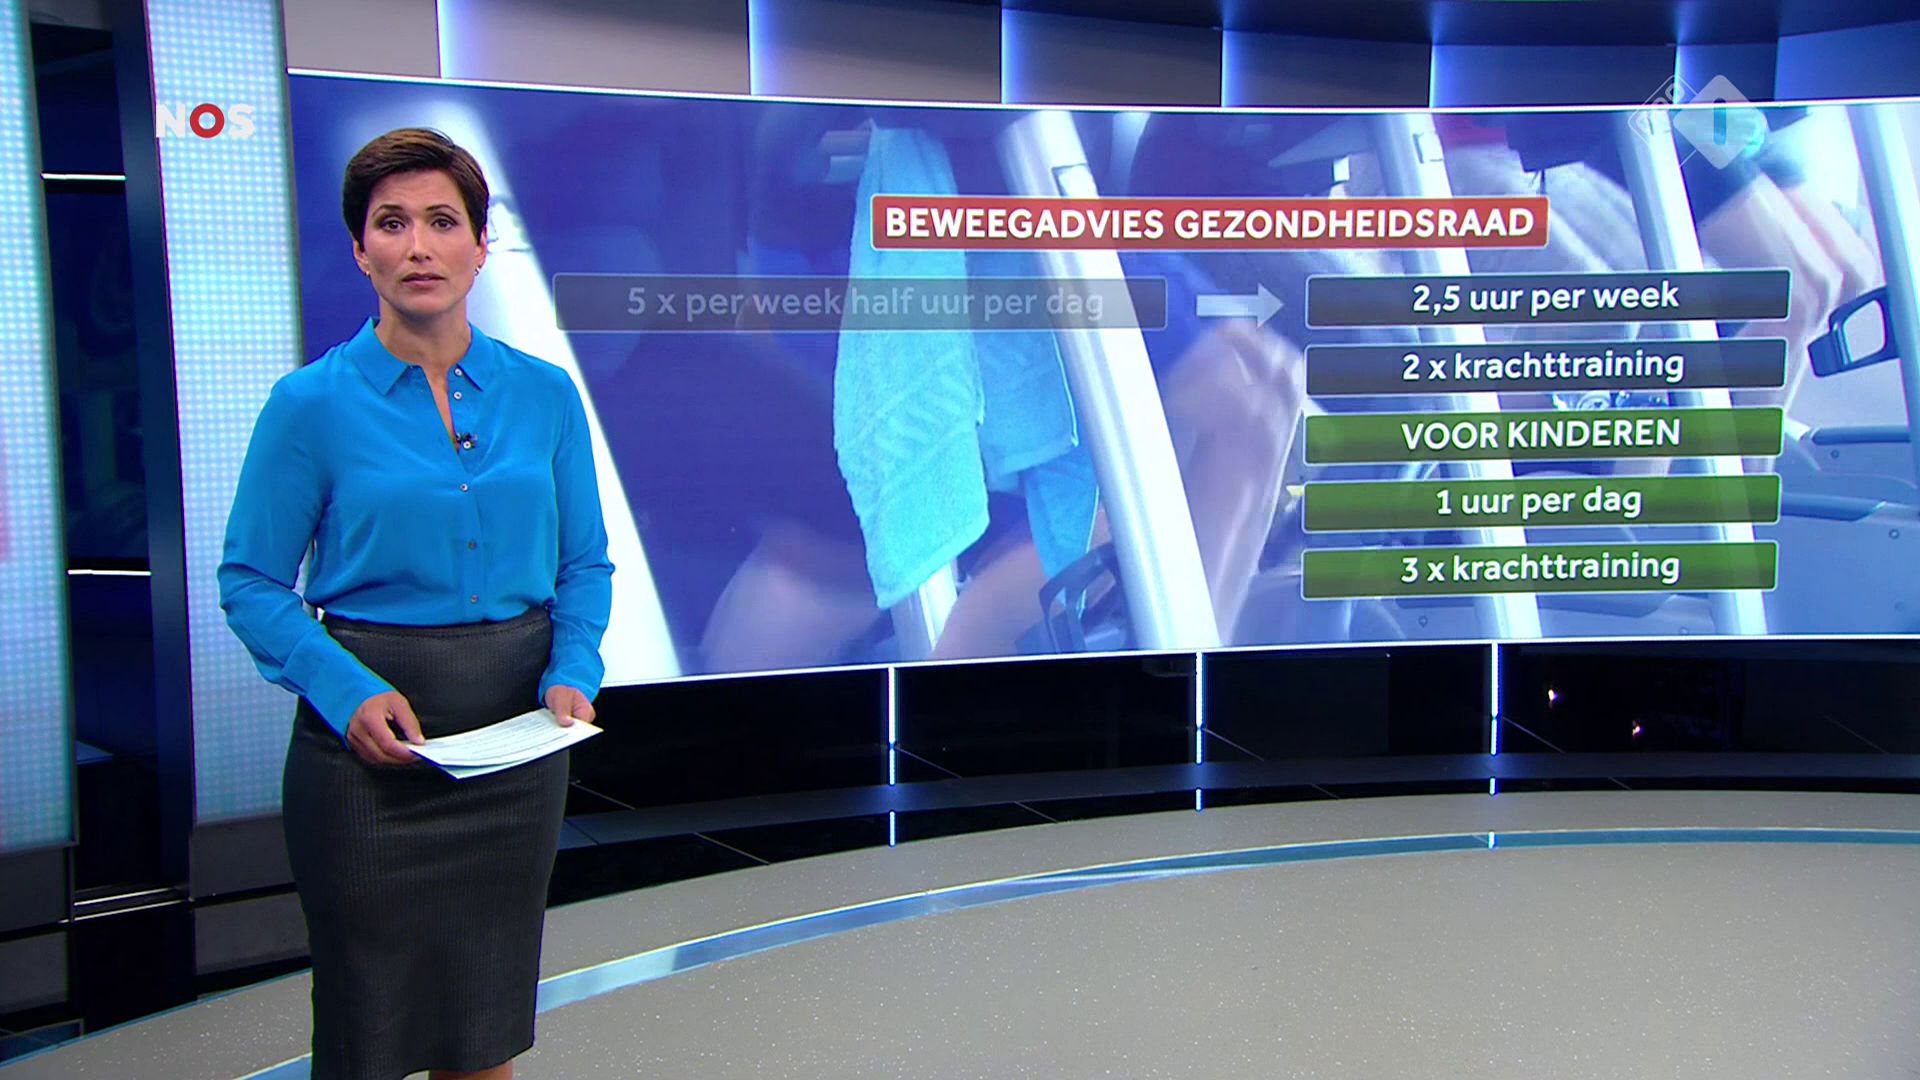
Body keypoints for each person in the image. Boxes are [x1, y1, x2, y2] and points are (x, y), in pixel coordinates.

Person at [218, 128, 613, 1080]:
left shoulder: (545, 395)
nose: (419, 246)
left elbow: (584, 565)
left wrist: (573, 668)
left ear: (481, 245)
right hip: (370, 754)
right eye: (391, 224)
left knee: (483, 1030)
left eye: (443, 221)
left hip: (516, 745)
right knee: (368, 1036)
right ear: (361, 251)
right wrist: (343, 688)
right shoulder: (309, 405)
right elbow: (251, 580)